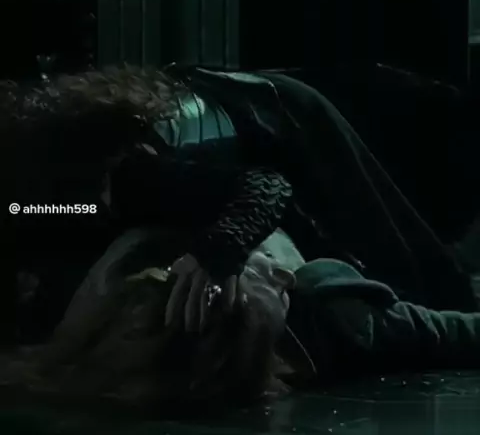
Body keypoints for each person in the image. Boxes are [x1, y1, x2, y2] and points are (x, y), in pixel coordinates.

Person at [0, 63, 477, 347]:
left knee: (385, 250)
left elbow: (265, 185)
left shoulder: (114, 177)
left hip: (284, 122)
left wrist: (218, 252)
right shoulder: (39, 205)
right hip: (230, 130)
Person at [1, 227, 479, 408]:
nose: (282, 276)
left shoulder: (113, 289)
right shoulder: (340, 317)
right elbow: (457, 332)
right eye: (270, 283)